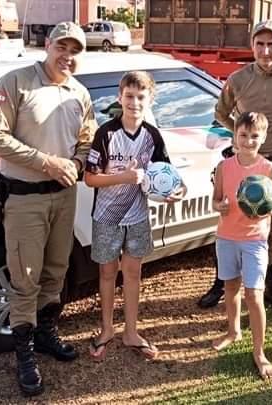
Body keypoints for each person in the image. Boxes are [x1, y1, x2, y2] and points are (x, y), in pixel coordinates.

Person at [0, 21, 97, 396]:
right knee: (25, 278)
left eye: (74, 50)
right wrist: (46, 162)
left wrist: (77, 165)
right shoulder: (16, 82)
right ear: (47, 45)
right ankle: (25, 355)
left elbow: (86, 140)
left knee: (56, 271)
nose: (67, 56)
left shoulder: (79, 93)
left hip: (64, 197)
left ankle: (47, 334)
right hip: (25, 198)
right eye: (61, 47)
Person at [201, 19, 272, 315]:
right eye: (260, 44)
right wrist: (240, 136)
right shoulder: (238, 79)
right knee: (230, 223)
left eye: (271, 44)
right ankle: (221, 282)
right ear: (252, 46)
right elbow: (221, 112)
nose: (265, 50)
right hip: (240, 165)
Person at [84, 71, 186, 361]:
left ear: (150, 99)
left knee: (132, 272)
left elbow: (165, 176)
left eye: (141, 97)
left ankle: (131, 331)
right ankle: (106, 329)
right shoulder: (106, 133)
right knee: (106, 273)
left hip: (137, 216)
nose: (134, 102)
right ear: (120, 97)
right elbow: (90, 179)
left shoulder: (152, 135)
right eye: (129, 96)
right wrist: (126, 176)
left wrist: (176, 190)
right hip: (106, 216)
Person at [211, 111, 272, 379]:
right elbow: (215, 201)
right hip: (227, 237)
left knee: (254, 294)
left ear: (263, 138)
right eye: (243, 135)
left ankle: (260, 352)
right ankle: (233, 331)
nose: (248, 141)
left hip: (254, 240)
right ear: (235, 137)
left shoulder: (268, 169)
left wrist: (265, 209)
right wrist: (223, 206)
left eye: (255, 136)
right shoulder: (225, 167)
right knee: (230, 287)